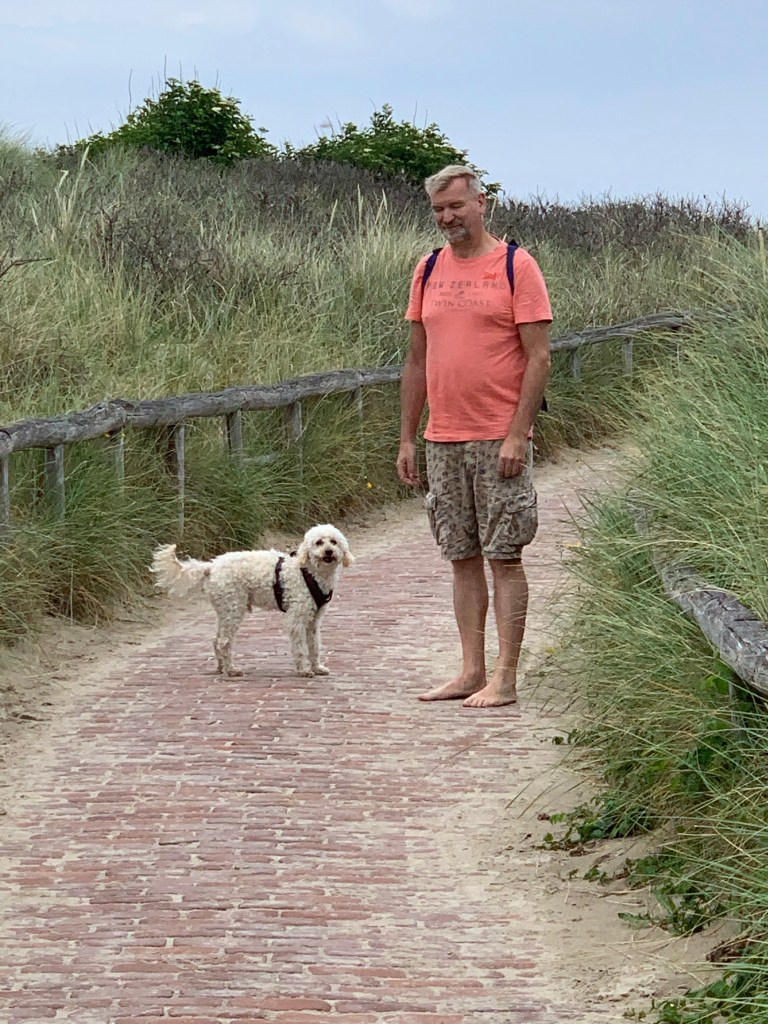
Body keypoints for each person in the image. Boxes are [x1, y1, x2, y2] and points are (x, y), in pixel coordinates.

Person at [396, 164, 552, 708]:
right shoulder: (427, 268)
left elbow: (538, 358)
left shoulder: (516, 266)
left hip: (497, 437)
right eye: (438, 209)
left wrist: (518, 433)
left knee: (504, 555)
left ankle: (505, 678)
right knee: (460, 555)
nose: (447, 218)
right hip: (442, 438)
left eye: (456, 206)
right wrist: (408, 437)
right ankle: (470, 671)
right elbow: (416, 360)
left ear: (481, 203)